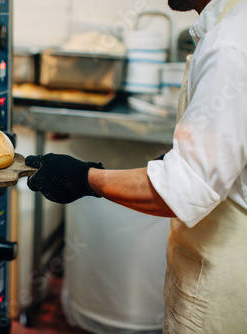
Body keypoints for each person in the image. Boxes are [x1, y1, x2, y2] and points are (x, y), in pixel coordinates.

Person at [25, 0, 247, 332]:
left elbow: (180, 190)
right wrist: (164, 165)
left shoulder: (228, 41)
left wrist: (83, 178)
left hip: (222, 285)